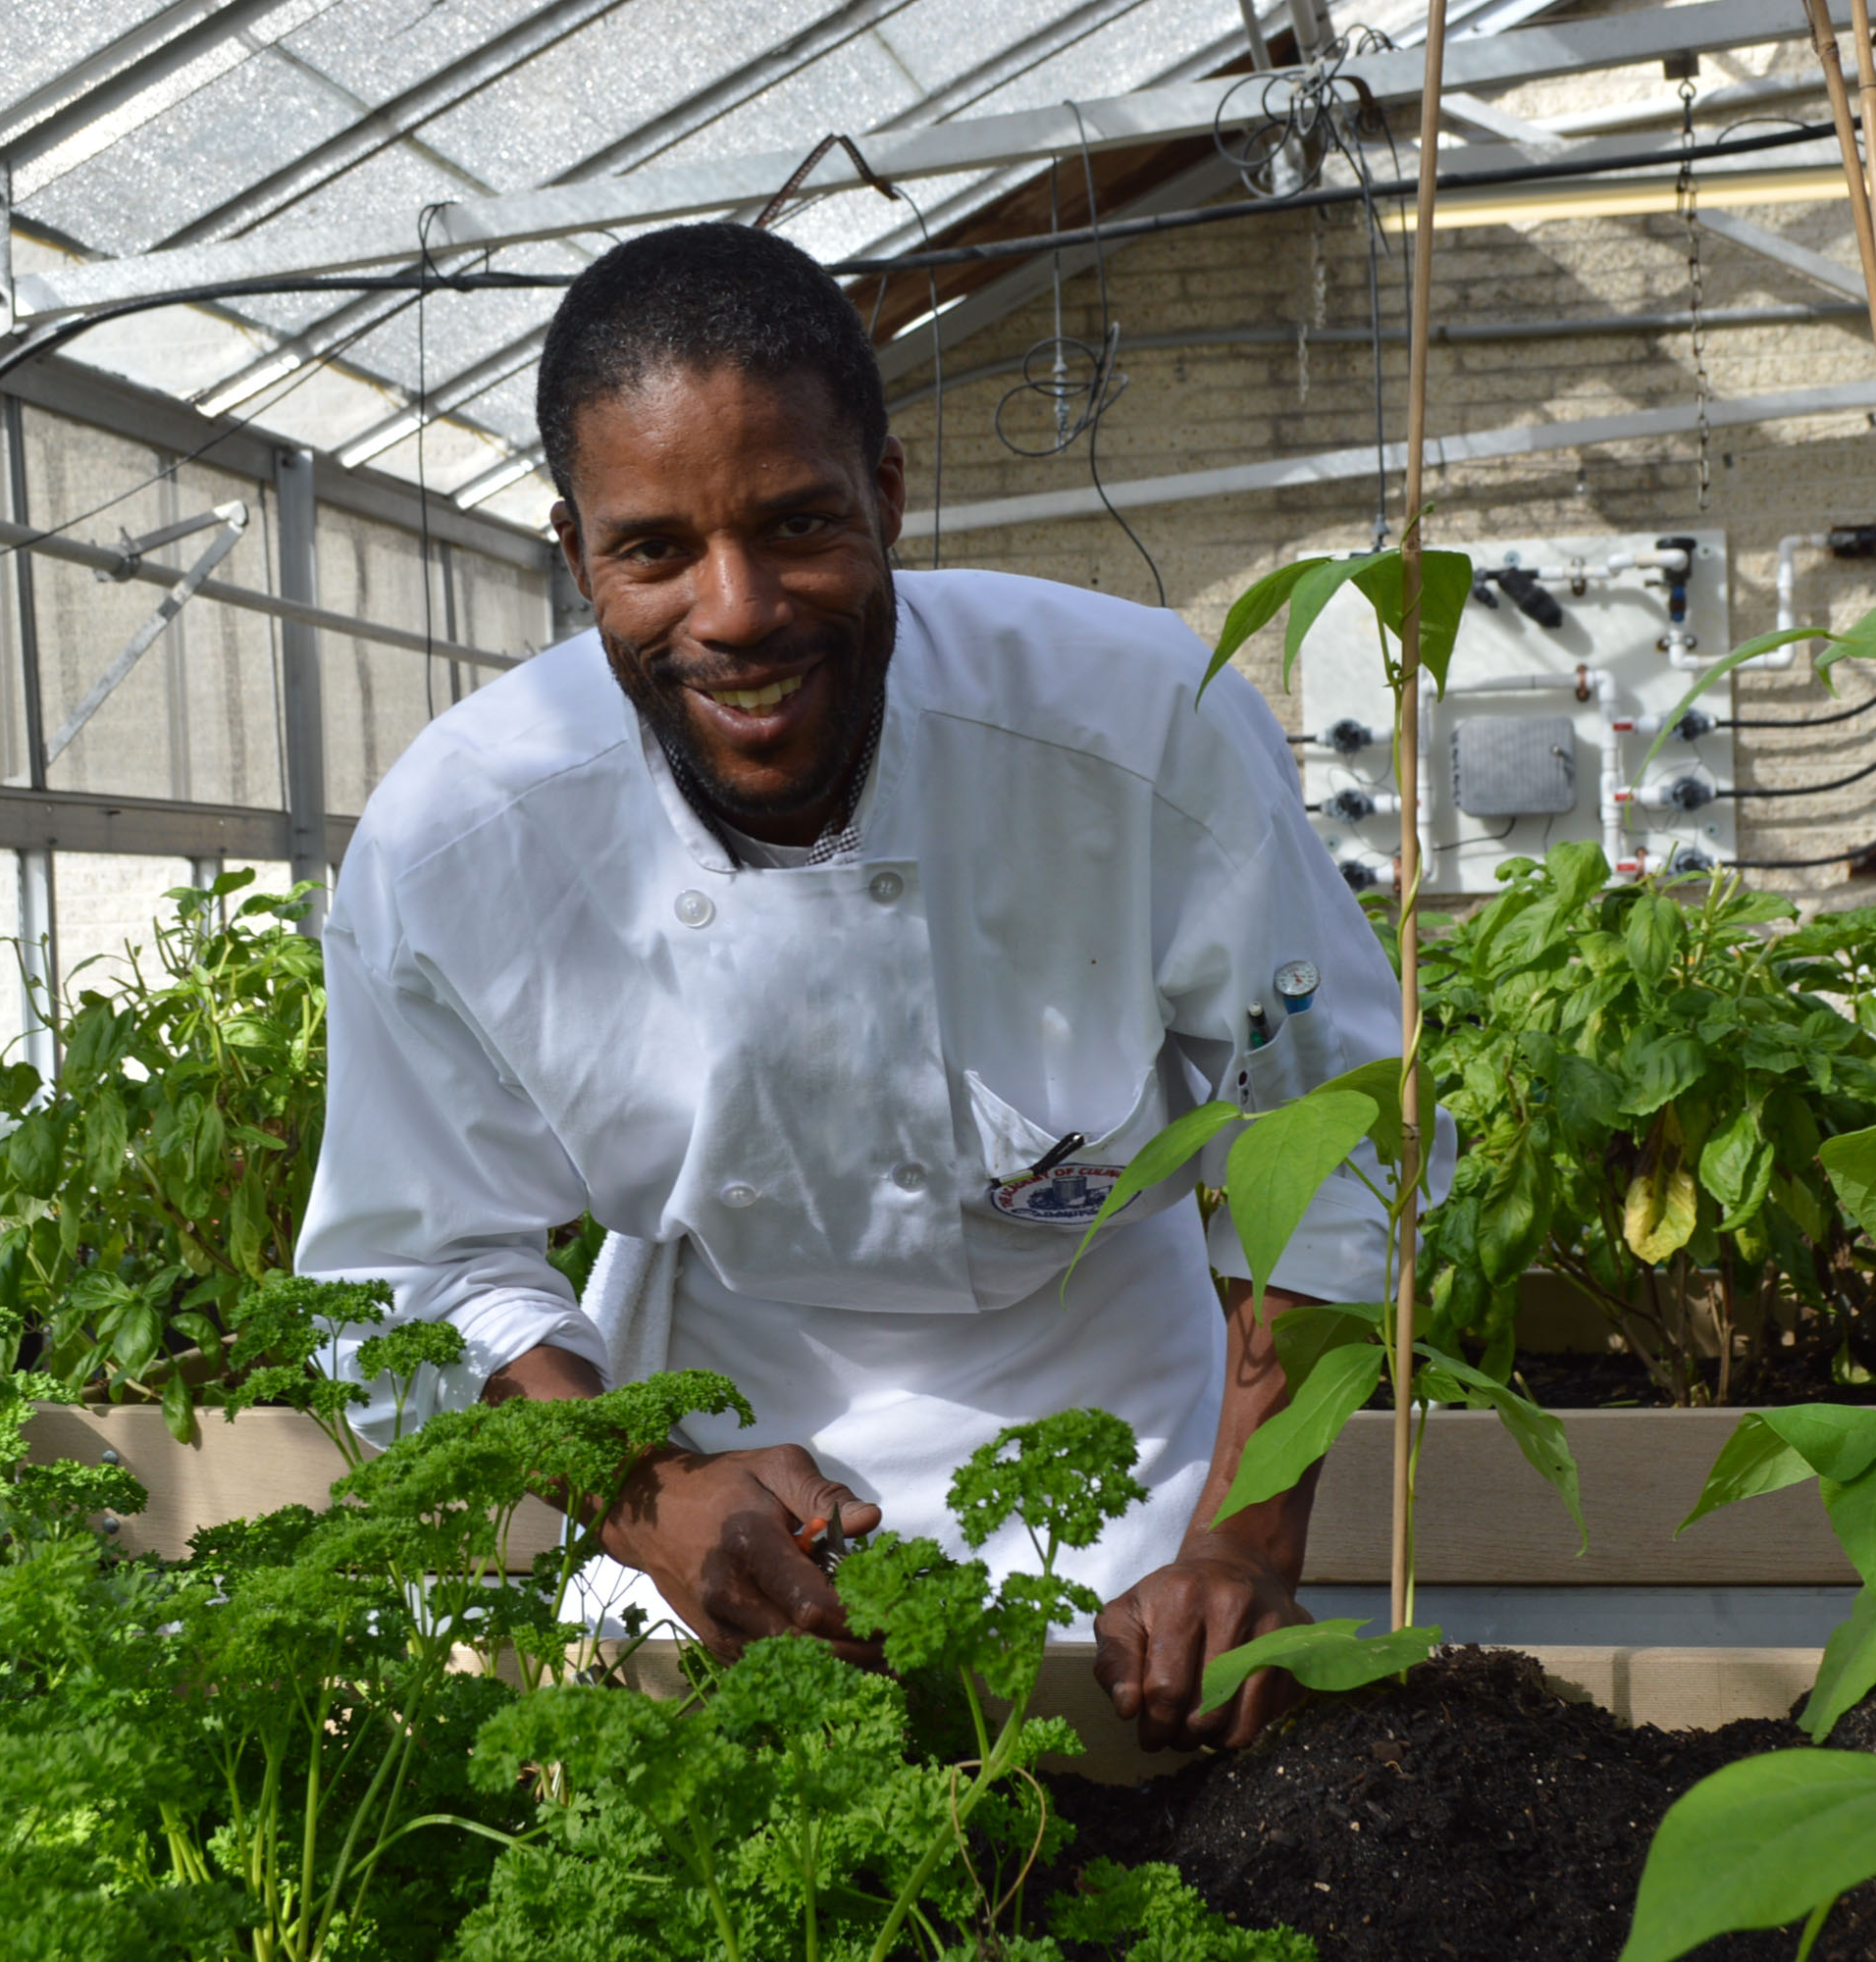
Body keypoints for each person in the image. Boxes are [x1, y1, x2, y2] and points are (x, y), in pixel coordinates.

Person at [297, 221, 1426, 1753]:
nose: (738, 608)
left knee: (1133, 1774)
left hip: (1113, 1372)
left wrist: (1241, 1541)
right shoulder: (465, 837)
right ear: (575, 556)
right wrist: (647, 1498)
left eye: (797, 523)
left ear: (888, 499)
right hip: (714, 1390)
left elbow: (1330, 1151)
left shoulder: (1140, 727)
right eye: (653, 550)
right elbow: (414, 1267)